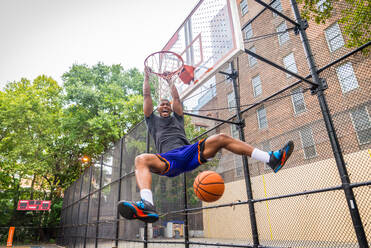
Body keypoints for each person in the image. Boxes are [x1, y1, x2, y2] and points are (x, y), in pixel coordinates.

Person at [117, 68, 294, 223]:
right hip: (168, 160)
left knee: (222, 138)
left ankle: (271, 159)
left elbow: (176, 98)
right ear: (157, 108)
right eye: (161, 104)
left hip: (188, 153)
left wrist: (170, 81)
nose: (165, 106)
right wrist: (147, 77)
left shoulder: (177, 118)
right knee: (141, 159)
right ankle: (147, 204)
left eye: (167, 104)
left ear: (170, 108)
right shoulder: (152, 121)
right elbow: (146, 96)